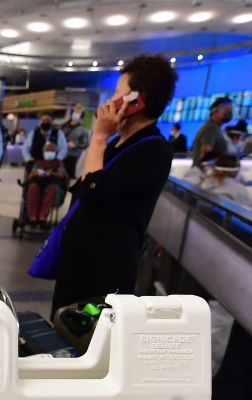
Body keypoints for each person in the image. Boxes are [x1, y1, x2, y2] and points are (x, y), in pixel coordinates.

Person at [51, 54, 177, 318]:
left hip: (104, 271)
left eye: (118, 92)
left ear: (137, 100)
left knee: (89, 346)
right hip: (79, 264)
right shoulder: (118, 142)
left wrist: (98, 136)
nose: (110, 100)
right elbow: (85, 186)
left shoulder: (153, 149)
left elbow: (93, 191)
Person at [24, 142, 68, 223]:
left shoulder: (58, 163)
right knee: (33, 187)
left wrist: (51, 173)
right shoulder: (38, 163)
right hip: (38, 183)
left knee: (52, 189)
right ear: (43, 152)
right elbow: (30, 176)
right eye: (47, 150)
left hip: (52, 184)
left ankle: (42, 216)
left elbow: (61, 175)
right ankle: (32, 217)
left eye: (52, 151)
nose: (50, 152)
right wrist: (36, 173)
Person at [191, 97, 232, 170]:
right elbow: (205, 153)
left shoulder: (215, 128)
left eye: (230, 110)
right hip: (206, 174)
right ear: (215, 112)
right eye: (226, 110)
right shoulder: (210, 128)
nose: (229, 113)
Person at [61, 104, 90, 178]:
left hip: (72, 157)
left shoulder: (83, 130)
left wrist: (74, 146)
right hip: (60, 156)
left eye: (78, 113)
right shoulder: (63, 126)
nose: (76, 114)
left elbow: (85, 144)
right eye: (75, 112)